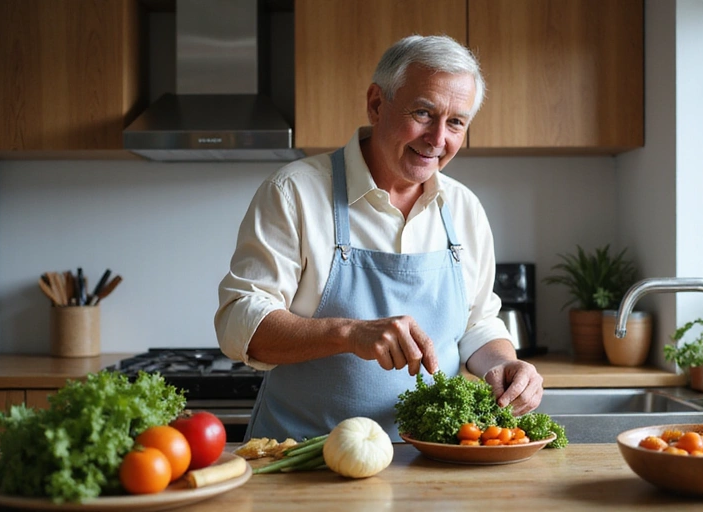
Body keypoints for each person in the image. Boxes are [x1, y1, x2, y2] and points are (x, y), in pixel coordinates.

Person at [215, 34, 543, 442]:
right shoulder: (295, 191)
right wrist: (350, 334)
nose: (438, 139)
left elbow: (478, 322)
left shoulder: (464, 208)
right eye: (423, 113)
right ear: (376, 103)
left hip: (427, 461)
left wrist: (503, 364)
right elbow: (238, 323)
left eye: (456, 122)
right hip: (302, 458)